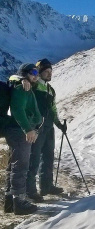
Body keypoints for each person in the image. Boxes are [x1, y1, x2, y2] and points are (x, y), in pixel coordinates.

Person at [3, 64, 42, 215]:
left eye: (37, 73)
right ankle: (19, 202)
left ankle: (9, 202)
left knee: (14, 165)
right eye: (33, 72)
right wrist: (28, 129)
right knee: (21, 165)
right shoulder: (21, 89)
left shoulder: (24, 87)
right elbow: (18, 110)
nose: (35, 76)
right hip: (20, 132)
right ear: (25, 74)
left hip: (17, 131)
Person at [25, 59, 66, 202]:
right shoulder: (32, 85)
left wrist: (59, 124)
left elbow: (53, 108)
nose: (49, 74)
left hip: (48, 127)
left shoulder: (50, 89)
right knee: (34, 158)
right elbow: (15, 79)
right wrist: (25, 80)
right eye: (46, 72)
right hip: (36, 127)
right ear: (39, 72)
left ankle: (46, 186)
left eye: (50, 72)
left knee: (48, 157)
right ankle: (30, 191)